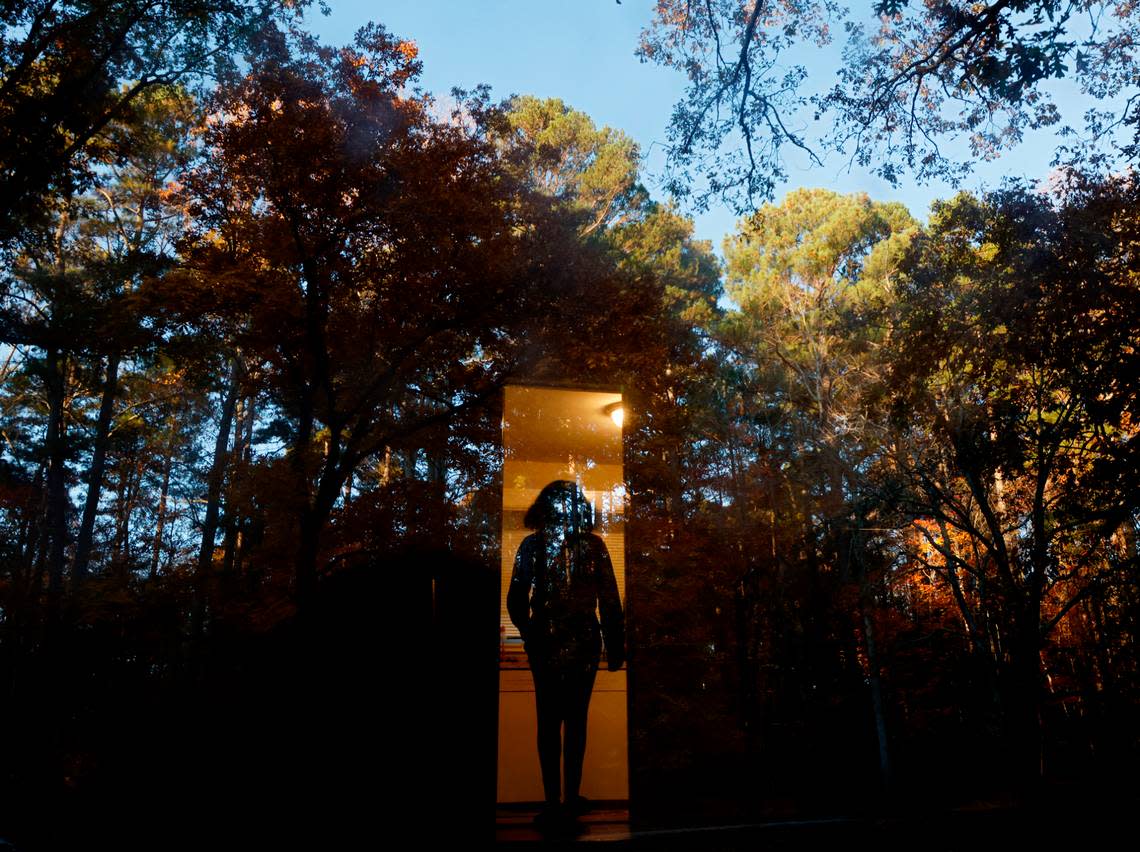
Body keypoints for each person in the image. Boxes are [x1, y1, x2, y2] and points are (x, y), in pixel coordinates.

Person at [507, 480, 624, 827]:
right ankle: (566, 799)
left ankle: (556, 801)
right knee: (573, 721)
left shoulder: (534, 546)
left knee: (553, 721)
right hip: (575, 642)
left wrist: (530, 632)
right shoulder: (589, 545)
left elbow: (516, 599)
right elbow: (610, 602)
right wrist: (615, 647)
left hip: (555, 643)